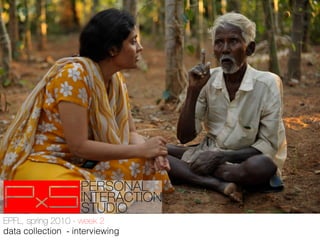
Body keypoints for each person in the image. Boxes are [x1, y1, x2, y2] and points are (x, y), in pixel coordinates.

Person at [0, 8, 174, 194]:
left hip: (83, 164)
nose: (140, 48)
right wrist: (141, 151)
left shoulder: (115, 80)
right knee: (78, 195)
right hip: (45, 162)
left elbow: (130, 134)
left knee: (147, 167)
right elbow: (79, 146)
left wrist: (151, 152)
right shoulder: (74, 76)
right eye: (132, 41)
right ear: (113, 49)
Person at [167, 12, 287, 203]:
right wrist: (192, 91)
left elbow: (267, 146)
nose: (225, 49)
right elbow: (184, 137)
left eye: (233, 41)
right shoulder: (206, 79)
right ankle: (217, 183)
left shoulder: (268, 83)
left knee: (263, 165)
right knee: (157, 151)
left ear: (250, 48)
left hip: (243, 160)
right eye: (219, 43)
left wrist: (219, 158)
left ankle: (207, 174)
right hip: (209, 153)